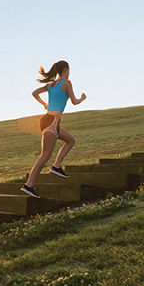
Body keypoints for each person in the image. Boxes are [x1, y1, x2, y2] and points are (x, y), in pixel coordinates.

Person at [21, 60, 86, 198]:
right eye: (69, 70)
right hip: (52, 121)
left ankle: (56, 166)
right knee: (45, 155)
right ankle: (29, 185)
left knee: (70, 140)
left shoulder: (51, 85)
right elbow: (74, 102)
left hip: (49, 120)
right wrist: (82, 98)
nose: (69, 72)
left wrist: (44, 104)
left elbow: (34, 93)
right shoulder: (66, 83)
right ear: (65, 70)